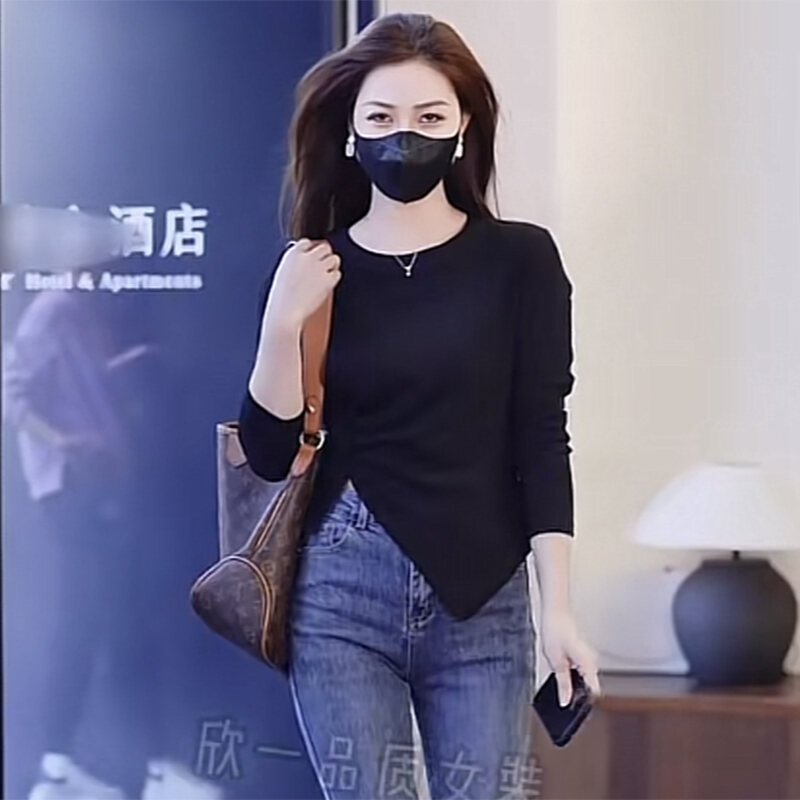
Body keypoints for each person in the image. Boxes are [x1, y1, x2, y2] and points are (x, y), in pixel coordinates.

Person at [237, 12, 602, 800]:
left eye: (430, 118)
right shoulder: (312, 268)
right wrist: (282, 321)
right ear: (350, 133)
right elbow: (267, 452)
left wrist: (560, 610)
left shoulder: (520, 260)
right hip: (339, 589)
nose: (405, 137)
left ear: (464, 128)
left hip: (484, 594)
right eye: (381, 118)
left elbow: (542, 438)